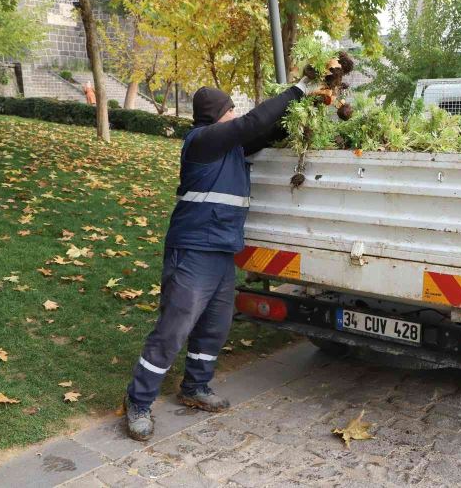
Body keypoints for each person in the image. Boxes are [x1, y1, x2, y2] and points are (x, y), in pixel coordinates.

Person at [123, 76, 317, 441]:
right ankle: (138, 401)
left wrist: (307, 109)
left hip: (221, 250)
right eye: (231, 111)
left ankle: (195, 387)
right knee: (173, 329)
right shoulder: (203, 141)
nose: (236, 116)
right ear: (218, 116)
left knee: (215, 326)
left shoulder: (230, 149)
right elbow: (253, 124)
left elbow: (266, 133)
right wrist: (298, 90)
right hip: (194, 250)